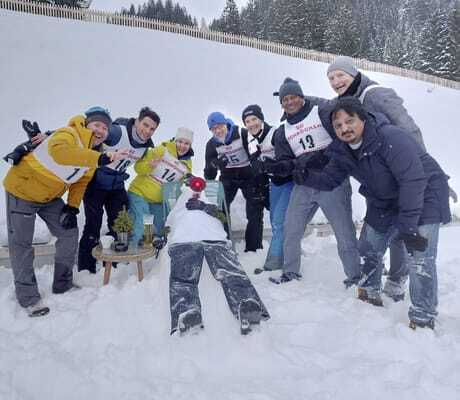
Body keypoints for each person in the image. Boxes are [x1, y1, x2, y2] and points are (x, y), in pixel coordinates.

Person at [293, 97, 450, 329]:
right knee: (368, 248)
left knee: (420, 259)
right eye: (338, 125)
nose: (345, 128)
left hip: (424, 194)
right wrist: (303, 176)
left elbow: (413, 180)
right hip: (384, 199)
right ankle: (368, 294)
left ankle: (423, 317)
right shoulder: (342, 149)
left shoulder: (390, 138)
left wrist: (408, 225)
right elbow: (330, 179)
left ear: (363, 119)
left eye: (350, 121)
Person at [324, 56, 457, 300]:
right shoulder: (347, 104)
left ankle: (398, 282)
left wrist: (422, 167)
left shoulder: (375, 94)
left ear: (354, 75)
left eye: (341, 75)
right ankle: (385, 284)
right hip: (386, 184)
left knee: (408, 238)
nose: (336, 81)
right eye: (331, 78)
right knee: (386, 235)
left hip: (409, 174)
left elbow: (408, 130)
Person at [3, 107, 130, 317]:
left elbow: (80, 183)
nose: (101, 130)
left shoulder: (93, 155)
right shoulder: (69, 133)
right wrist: (103, 159)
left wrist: (72, 207)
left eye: (105, 128)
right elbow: (60, 153)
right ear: (87, 124)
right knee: (21, 244)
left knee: (69, 232)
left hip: (49, 197)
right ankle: (29, 298)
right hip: (22, 191)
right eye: (97, 125)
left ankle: (63, 283)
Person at [260, 78, 361, 285]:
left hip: (332, 181)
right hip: (304, 183)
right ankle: (290, 272)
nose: (289, 102)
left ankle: (355, 277)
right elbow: (287, 161)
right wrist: (276, 168)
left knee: (343, 232)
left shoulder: (321, 111)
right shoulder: (283, 130)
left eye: (293, 97)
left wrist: (320, 155)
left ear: (301, 96)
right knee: (291, 228)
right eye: (285, 99)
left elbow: (342, 139)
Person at [165, 178, 270, 335]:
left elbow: (222, 218)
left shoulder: (208, 203)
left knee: (231, 272)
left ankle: (246, 306)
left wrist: (206, 207)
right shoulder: (178, 207)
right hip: (184, 240)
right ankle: (187, 313)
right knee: (183, 278)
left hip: (214, 238)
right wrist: (161, 236)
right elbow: (167, 226)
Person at [77, 107, 160, 273]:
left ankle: (114, 265)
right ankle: (86, 269)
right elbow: (88, 132)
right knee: (93, 225)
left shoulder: (144, 148)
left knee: (119, 225)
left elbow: (141, 166)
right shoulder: (117, 132)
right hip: (96, 184)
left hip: (117, 186)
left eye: (152, 129)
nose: (147, 131)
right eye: (145, 125)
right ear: (136, 121)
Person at [240, 104, 294, 273]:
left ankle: (273, 264)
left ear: (261, 119)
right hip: (275, 184)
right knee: (275, 222)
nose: (251, 124)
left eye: (254, 119)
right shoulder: (254, 141)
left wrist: (267, 166)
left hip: (289, 182)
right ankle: (289, 253)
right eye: (247, 121)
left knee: (279, 222)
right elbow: (258, 165)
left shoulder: (275, 134)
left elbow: (287, 162)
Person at [204, 111, 265, 252]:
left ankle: (253, 248)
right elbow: (209, 173)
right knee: (221, 208)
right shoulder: (212, 144)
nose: (218, 131)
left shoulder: (242, 133)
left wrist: (259, 176)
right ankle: (225, 243)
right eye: (214, 129)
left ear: (226, 124)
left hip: (247, 175)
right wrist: (215, 164)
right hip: (228, 177)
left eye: (220, 126)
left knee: (254, 208)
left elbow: (256, 155)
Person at [128, 127, 194, 244]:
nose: (182, 146)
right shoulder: (162, 150)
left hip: (158, 200)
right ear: (175, 140)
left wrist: (189, 181)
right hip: (139, 193)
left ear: (190, 145)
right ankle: (131, 255)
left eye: (186, 143)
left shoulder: (187, 165)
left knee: (160, 228)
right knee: (141, 223)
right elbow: (138, 168)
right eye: (180, 141)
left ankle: (153, 258)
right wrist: (149, 165)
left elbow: (180, 184)